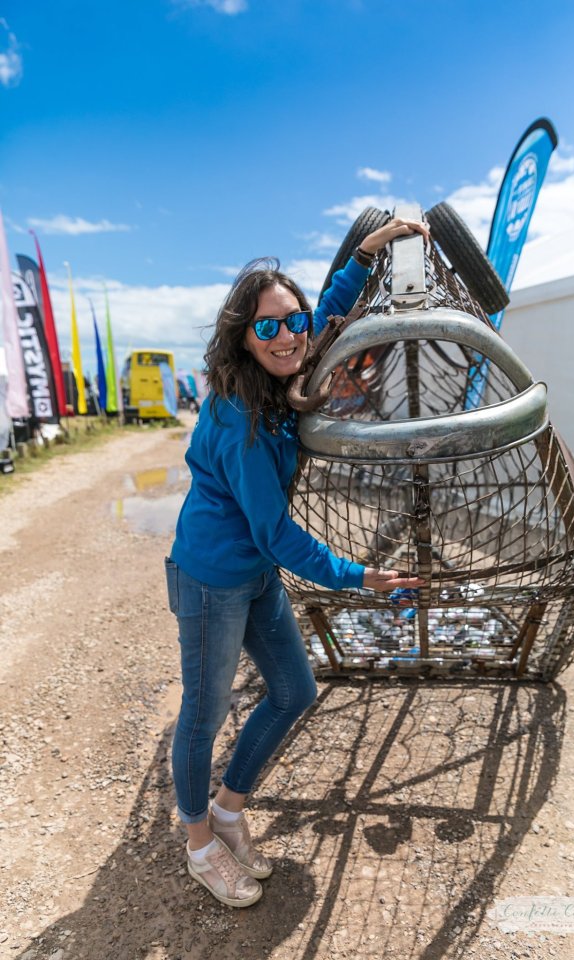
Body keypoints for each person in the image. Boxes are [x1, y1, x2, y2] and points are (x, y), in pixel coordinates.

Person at [165, 217, 429, 908]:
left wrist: (367, 254)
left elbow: (331, 311)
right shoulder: (239, 417)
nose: (286, 337)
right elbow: (278, 536)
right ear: (241, 338)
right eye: (267, 328)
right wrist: (363, 577)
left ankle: (228, 809)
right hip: (213, 578)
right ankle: (199, 845)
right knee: (204, 712)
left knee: (294, 691)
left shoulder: (290, 366)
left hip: (254, 575)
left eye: (293, 322)